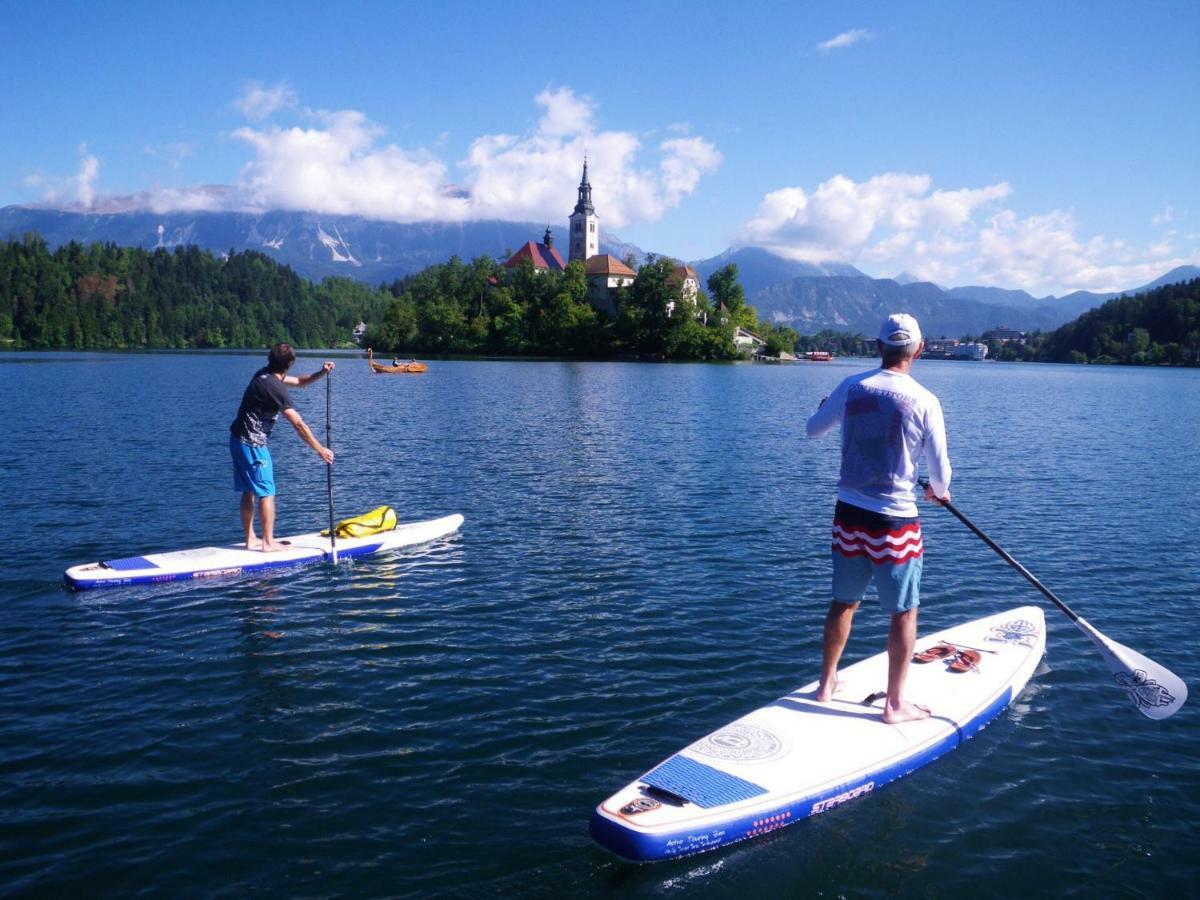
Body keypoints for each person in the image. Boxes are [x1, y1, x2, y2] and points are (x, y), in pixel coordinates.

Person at [805, 313, 952, 724]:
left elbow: (813, 430)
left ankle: (825, 684)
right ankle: (894, 705)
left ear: (877, 347)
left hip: (848, 516)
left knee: (843, 603)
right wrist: (938, 493)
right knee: (903, 612)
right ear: (919, 350)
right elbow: (940, 475)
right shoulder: (925, 400)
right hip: (894, 524)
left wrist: (823, 408)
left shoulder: (851, 386)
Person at [229, 343, 335, 551]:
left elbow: (301, 382)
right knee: (267, 492)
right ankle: (268, 543)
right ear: (290, 364)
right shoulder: (276, 388)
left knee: (249, 489)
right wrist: (320, 449)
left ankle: (251, 539)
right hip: (253, 444)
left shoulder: (264, 375)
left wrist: (322, 372)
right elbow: (298, 424)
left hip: (236, 439)